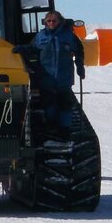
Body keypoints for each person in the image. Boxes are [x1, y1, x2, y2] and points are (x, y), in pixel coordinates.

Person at [14, 10, 85, 141]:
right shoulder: (41, 36)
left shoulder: (68, 36)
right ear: (45, 22)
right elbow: (31, 48)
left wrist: (80, 65)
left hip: (64, 79)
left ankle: (65, 131)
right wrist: (21, 48)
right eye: (49, 21)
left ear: (60, 22)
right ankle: (52, 126)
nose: (51, 23)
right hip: (46, 79)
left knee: (65, 105)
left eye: (54, 21)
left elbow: (79, 51)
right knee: (49, 105)